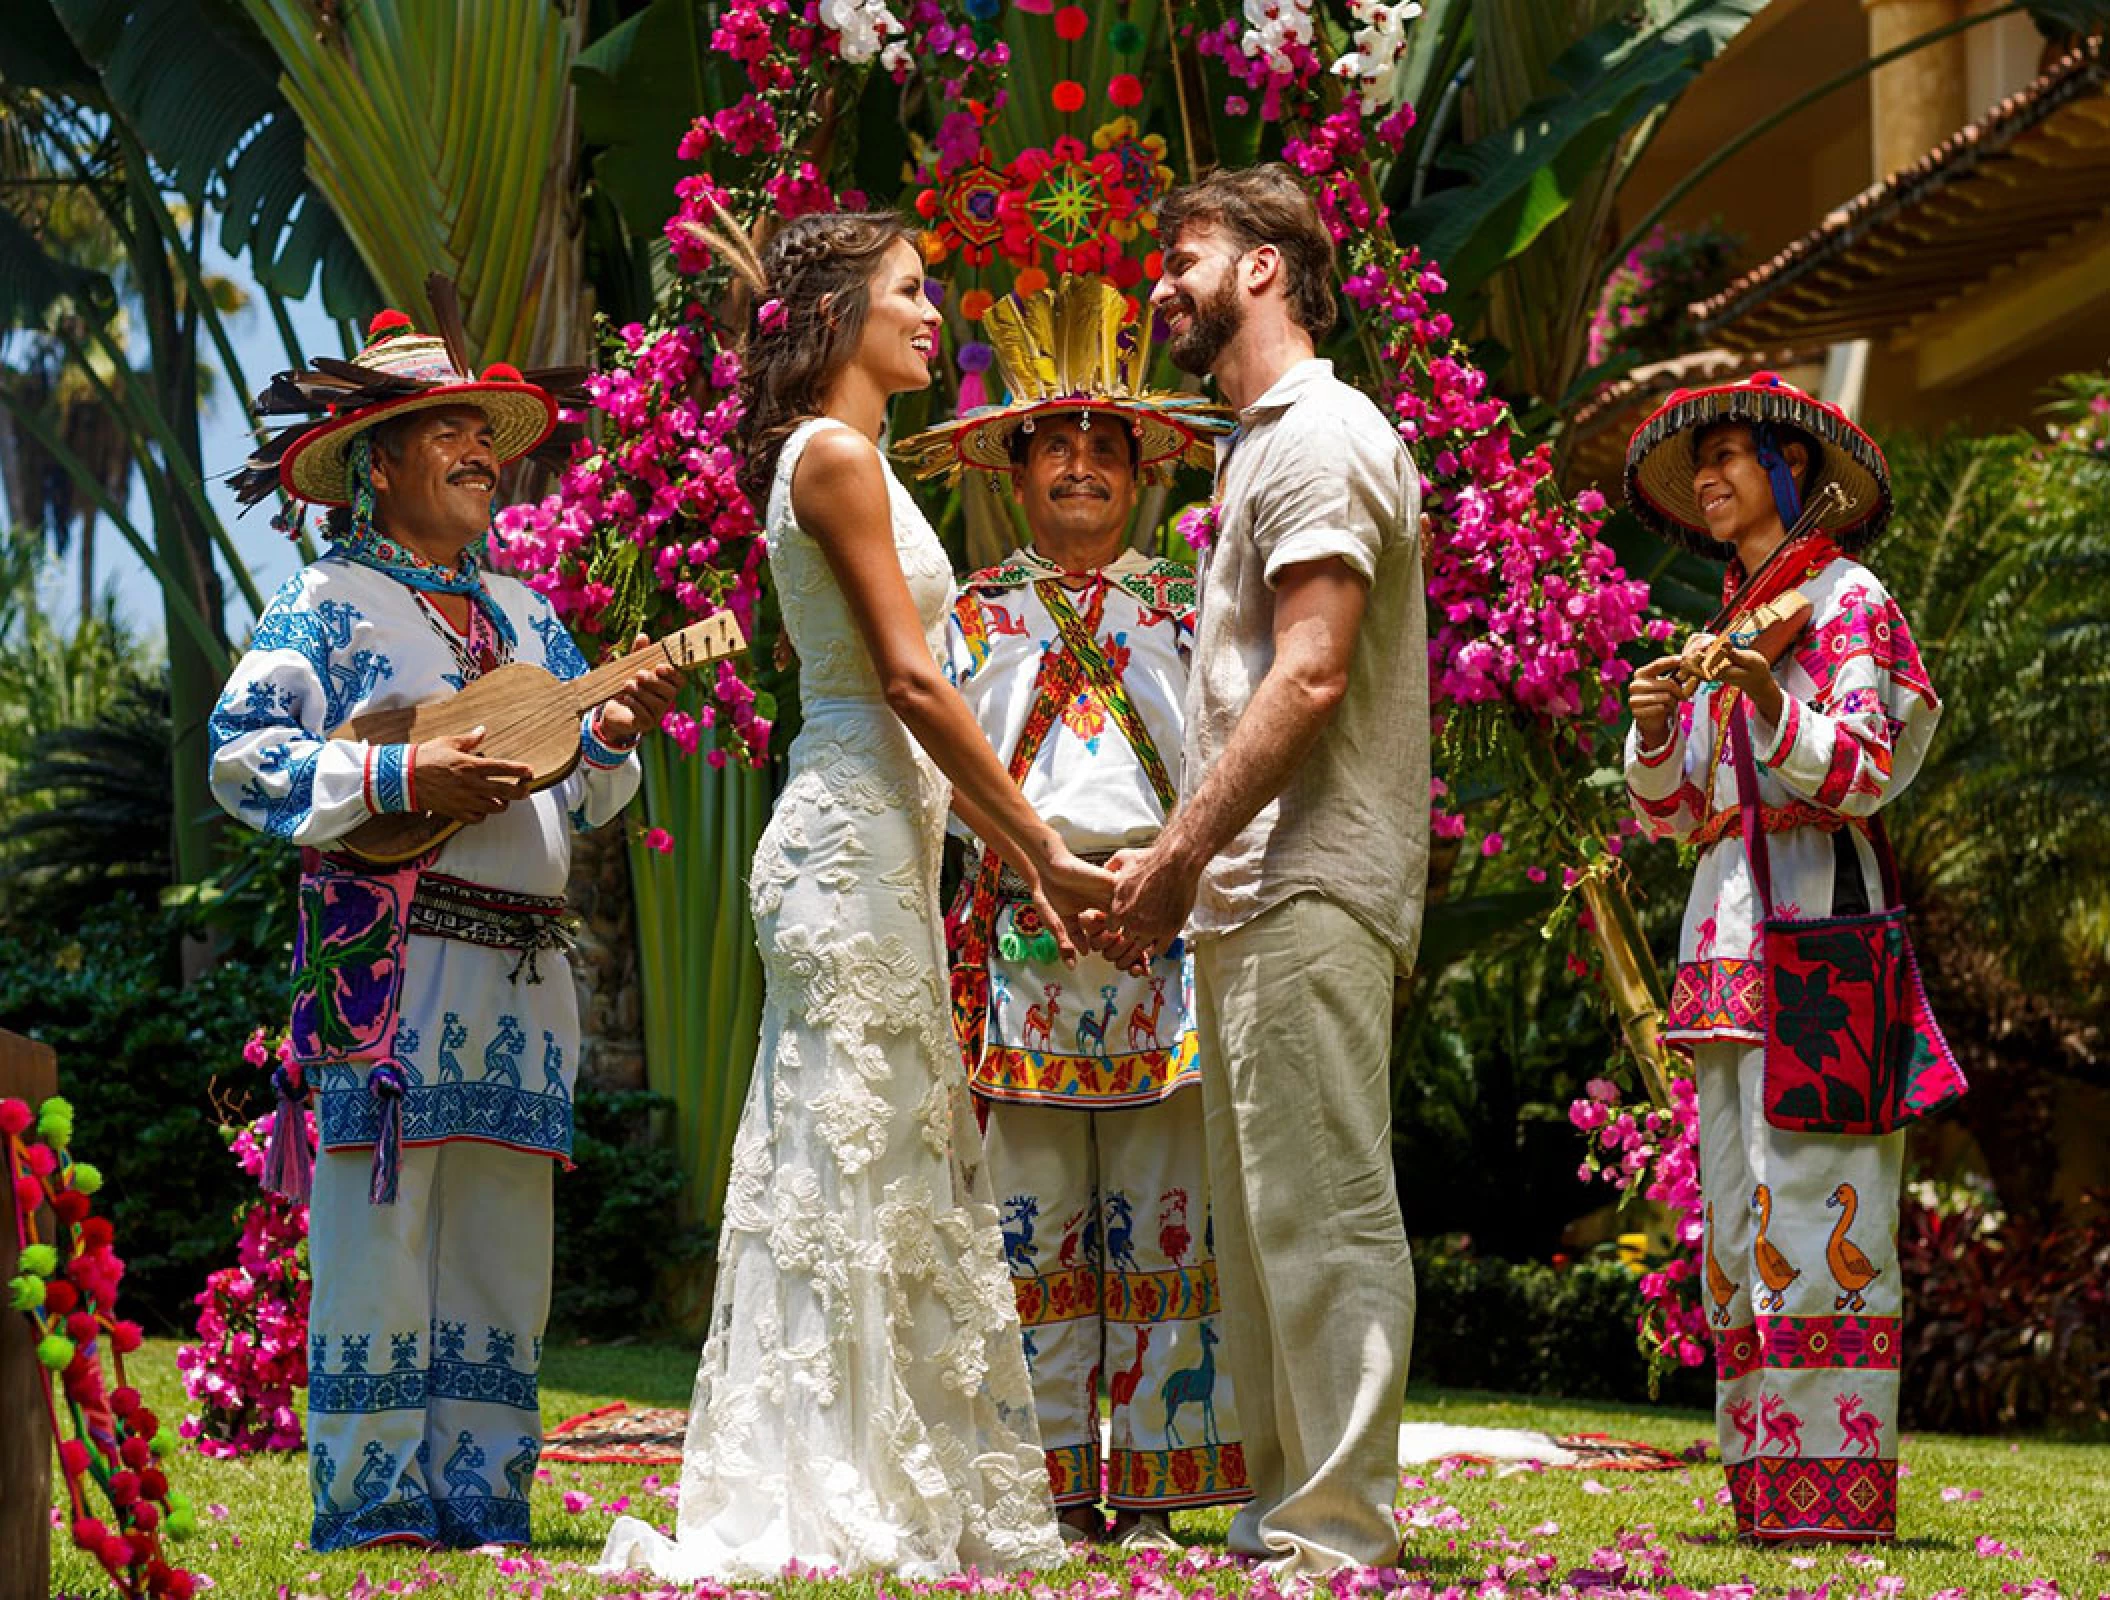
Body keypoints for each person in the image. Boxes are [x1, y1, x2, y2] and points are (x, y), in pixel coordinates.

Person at [598, 212, 1111, 1581]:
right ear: (837, 321)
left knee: (881, 1153)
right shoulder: (829, 459)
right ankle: (825, 1479)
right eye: (907, 292)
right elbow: (906, 676)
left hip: (887, 842)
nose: (935, 313)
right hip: (845, 841)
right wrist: (1035, 845)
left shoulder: (857, 457)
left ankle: (886, 1467)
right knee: (847, 1153)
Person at [210, 309, 681, 1551]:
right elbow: (243, 759)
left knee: (501, 1241)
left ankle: (483, 1499)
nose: (483, 452)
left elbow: (583, 786)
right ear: (379, 458)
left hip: (524, 974)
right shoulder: (328, 602)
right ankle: (372, 1508)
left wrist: (617, 737)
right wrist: (397, 779)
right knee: (383, 1234)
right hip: (394, 969)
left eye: (488, 433)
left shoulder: (530, 618)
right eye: (452, 432)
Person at [1096, 164, 1427, 1576]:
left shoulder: (1317, 436)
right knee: (1266, 1225)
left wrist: (1171, 861)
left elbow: (1307, 675)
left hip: (1307, 879)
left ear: (1263, 270)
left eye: (1183, 255)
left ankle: (1335, 1526)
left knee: (1329, 1213)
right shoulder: (1260, 448)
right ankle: (1285, 1508)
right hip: (1251, 895)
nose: (1159, 281)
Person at [897, 276, 1250, 1549]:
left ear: (1141, 471)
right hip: (1022, 938)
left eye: (1107, 446)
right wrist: (1030, 871)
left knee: (1164, 1208)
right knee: (1029, 1222)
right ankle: (1045, 1483)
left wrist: (1163, 876)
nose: (1085, 466)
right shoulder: (972, 617)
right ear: (1018, 468)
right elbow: (940, 778)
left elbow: (1225, 753)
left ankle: (1154, 1494)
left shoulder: (1188, 607)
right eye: (1060, 445)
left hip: (1162, 922)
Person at [1623, 372, 1942, 1543]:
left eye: (1731, 456)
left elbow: (1868, 768)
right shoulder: (1721, 627)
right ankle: (1762, 1487)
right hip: (1722, 949)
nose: (1709, 477)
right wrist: (1659, 725)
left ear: (1788, 469)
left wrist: (1770, 705)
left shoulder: (1852, 602)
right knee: (1735, 1217)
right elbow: (1669, 816)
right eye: (1698, 460)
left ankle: (1833, 1496)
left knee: (1820, 1208)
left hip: (1822, 933)